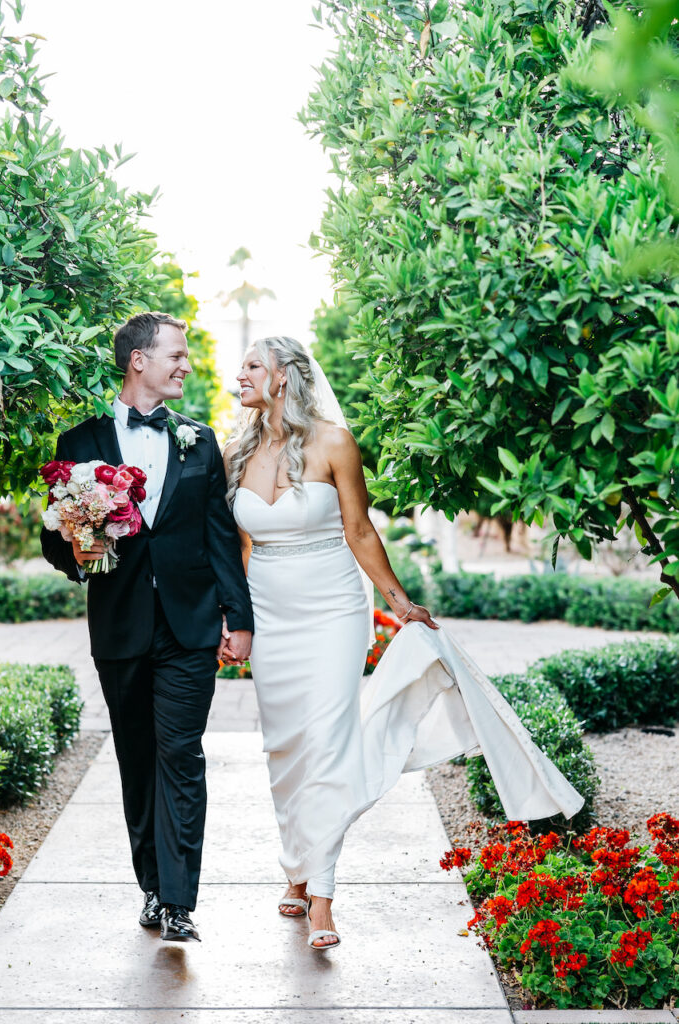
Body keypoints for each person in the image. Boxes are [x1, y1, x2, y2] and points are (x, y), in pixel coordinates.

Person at [222, 335, 583, 952]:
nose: (239, 375)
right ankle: (295, 866)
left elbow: (359, 530)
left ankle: (323, 900)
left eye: (252, 365)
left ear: (283, 376)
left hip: (335, 610)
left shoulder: (334, 442)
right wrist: (233, 621)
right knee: (285, 749)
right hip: (272, 611)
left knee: (331, 744)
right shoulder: (234, 453)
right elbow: (240, 548)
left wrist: (398, 603)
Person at [41, 311, 253, 943]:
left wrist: (237, 618)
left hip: (188, 627)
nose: (185, 365)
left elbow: (220, 537)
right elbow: (54, 538)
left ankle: (180, 900)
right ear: (139, 360)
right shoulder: (78, 445)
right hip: (120, 625)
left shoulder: (200, 439)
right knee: (137, 758)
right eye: (176, 355)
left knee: (181, 754)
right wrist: (76, 548)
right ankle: (153, 887)